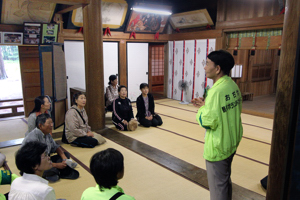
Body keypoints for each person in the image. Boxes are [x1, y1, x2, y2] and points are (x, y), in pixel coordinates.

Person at [192, 50, 243, 200]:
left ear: (218, 68)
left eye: (207, 64)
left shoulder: (216, 91)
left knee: (217, 187)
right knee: (225, 179)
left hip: (218, 145)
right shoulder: (232, 85)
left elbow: (208, 121)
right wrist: (206, 104)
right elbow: (222, 111)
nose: (205, 67)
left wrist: (202, 108)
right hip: (231, 141)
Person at [23, 114, 79, 182]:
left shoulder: (47, 134)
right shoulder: (33, 138)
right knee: (49, 169)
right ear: (40, 125)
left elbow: (55, 147)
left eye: (52, 122)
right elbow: (36, 161)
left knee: (66, 154)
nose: (51, 125)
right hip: (35, 165)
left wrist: (64, 158)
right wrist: (56, 165)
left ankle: (57, 171)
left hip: (45, 160)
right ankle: (57, 171)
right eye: (49, 123)